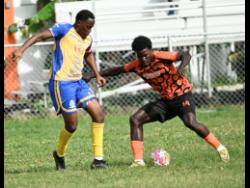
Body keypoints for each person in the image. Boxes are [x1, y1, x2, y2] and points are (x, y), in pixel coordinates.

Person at [83, 35, 230, 167]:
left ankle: (220, 148)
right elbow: (117, 70)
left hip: (182, 95)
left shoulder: (161, 56)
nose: (143, 59)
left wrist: (182, 67)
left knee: (190, 122)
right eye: (140, 56)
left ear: (151, 51)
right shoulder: (137, 65)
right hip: (166, 101)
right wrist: (93, 74)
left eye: (146, 55)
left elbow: (185, 54)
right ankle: (138, 161)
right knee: (135, 119)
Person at [11, 10, 108, 170]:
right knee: (72, 126)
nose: (89, 30)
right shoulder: (64, 29)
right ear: (78, 24)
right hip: (61, 83)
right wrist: (21, 49)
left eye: (92, 27)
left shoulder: (88, 38)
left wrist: (97, 74)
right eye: (88, 27)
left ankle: (98, 160)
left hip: (79, 82)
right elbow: (39, 36)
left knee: (98, 114)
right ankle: (59, 153)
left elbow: (88, 54)